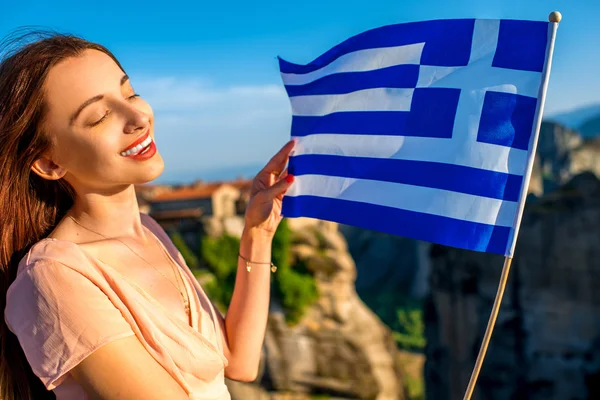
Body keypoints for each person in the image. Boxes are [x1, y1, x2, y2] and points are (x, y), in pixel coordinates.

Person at [0, 30, 296, 400]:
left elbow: (239, 361)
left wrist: (258, 233)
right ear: (48, 162)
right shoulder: (53, 276)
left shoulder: (150, 231)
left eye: (130, 93)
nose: (137, 116)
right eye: (99, 116)